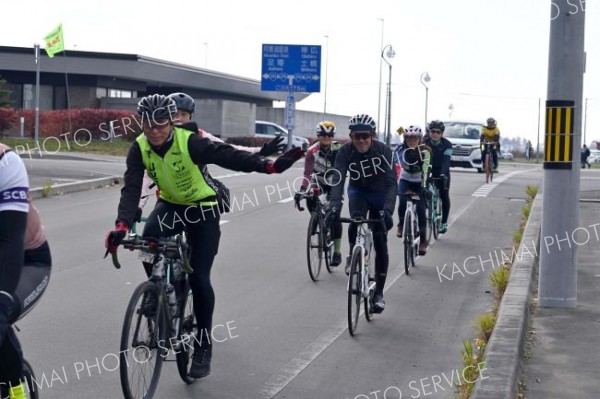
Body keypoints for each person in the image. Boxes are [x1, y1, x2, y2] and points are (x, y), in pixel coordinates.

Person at [105, 94, 304, 379]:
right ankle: (157, 288)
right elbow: (132, 188)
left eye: (161, 123)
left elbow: (230, 156)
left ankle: (202, 344)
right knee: (149, 241)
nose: (154, 130)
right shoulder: (139, 148)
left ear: (171, 121)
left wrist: (270, 165)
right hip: (171, 205)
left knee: (199, 277)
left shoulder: (191, 141)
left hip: (202, 208)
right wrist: (121, 226)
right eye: (147, 124)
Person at [138, 92, 283, 209]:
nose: (178, 118)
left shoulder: (199, 136)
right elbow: (145, 175)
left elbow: (230, 150)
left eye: (183, 114)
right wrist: (137, 206)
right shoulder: (155, 139)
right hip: (169, 196)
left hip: (197, 195)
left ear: (191, 116)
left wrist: (261, 151)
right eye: (174, 114)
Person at [326, 114, 396, 314]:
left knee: (381, 241)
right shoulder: (345, 152)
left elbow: (392, 183)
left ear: (372, 135)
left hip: (381, 194)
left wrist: (389, 210)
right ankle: (353, 253)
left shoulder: (383, 151)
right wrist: (334, 207)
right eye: (357, 136)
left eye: (365, 136)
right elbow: (338, 180)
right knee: (355, 218)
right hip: (359, 192)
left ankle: (379, 293)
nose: (361, 140)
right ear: (351, 136)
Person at [0, 143, 52, 399]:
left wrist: (2, 299)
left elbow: (11, 240)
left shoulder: (6, 162)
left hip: (25, 260)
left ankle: (15, 388)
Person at [294, 121, 343, 266]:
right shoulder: (312, 151)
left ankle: (337, 252)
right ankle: (317, 218)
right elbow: (307, 173)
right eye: (323, 135)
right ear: (318, 136)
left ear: (333, 136)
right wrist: (302, 189)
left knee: (335, 215)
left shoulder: (339, 148)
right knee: (310, 196)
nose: (326, 137)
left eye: (329, 135)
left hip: (335, 182)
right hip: (319, 180)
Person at [393, 125, 431, 255]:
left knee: (421, 209)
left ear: (419, 139)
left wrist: (425, 187)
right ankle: (401, 223)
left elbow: (426, 170)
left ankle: (422, 241)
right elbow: (396, 164)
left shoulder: (425, 151)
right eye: (408, 138)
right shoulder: (400, 149)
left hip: (419, 183)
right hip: (405, 181)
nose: (411, 141)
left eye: (414, 138)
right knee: (402, 201)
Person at [422, 120, 452, 234]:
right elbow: (422, 160)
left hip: (442, 170)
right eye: (433, 131)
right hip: (428, 169)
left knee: (444, 196)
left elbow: (446, 161)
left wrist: (444, 174)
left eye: (438, 132)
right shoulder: (424, 142)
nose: (435, 134)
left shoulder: (447, 144)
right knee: (422, 190)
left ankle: (444, 222)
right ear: (429, 132)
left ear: (442, 133)